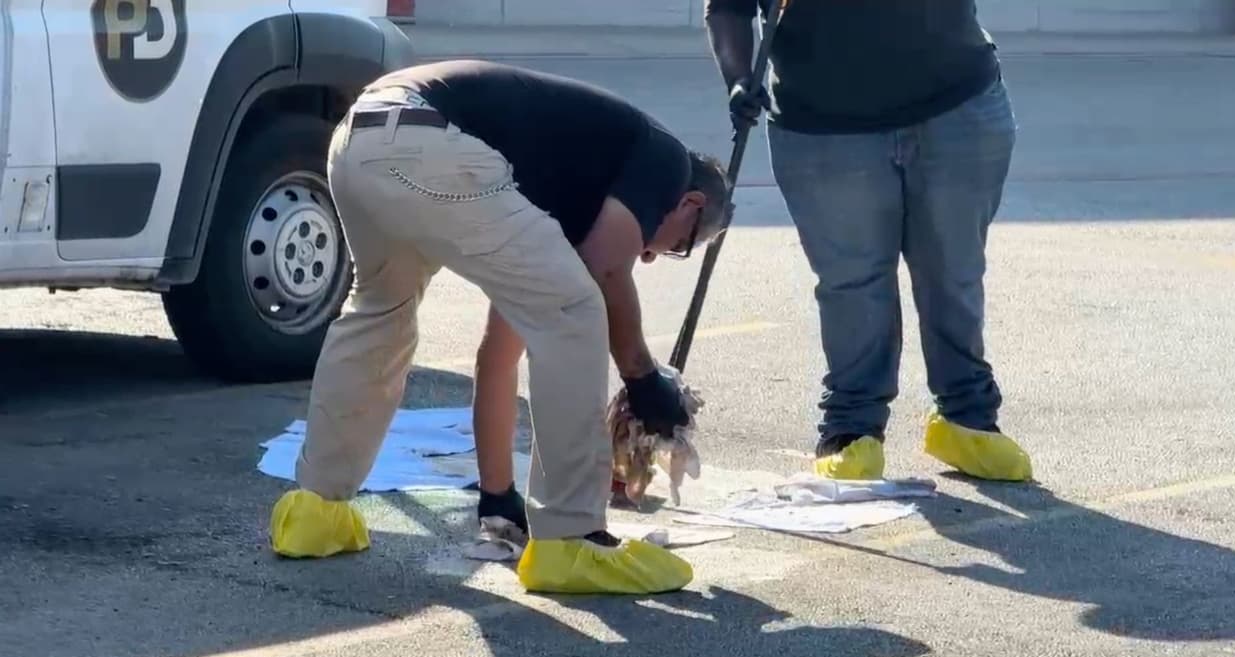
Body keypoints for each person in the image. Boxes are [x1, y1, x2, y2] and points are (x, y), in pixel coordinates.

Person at [268, 59, 731, 596]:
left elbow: (499, 354)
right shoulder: (667, 160)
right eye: (679, 245)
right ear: (691, 203)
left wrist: (497, 495)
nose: (653, 257)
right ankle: (572, 538)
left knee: (380, 313)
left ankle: (314, 511)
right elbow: (603, 274)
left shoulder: (562, 189)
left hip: (359, 138)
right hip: (428, 143)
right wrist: (645, 380)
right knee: (576, 311)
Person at [703, 0, 1032, 482]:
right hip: (823, 125)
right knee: (853, 287)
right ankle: (852, 430)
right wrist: (737, 77)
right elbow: (729, 7)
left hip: (956, 103)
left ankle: (968, 419)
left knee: (952, 273)